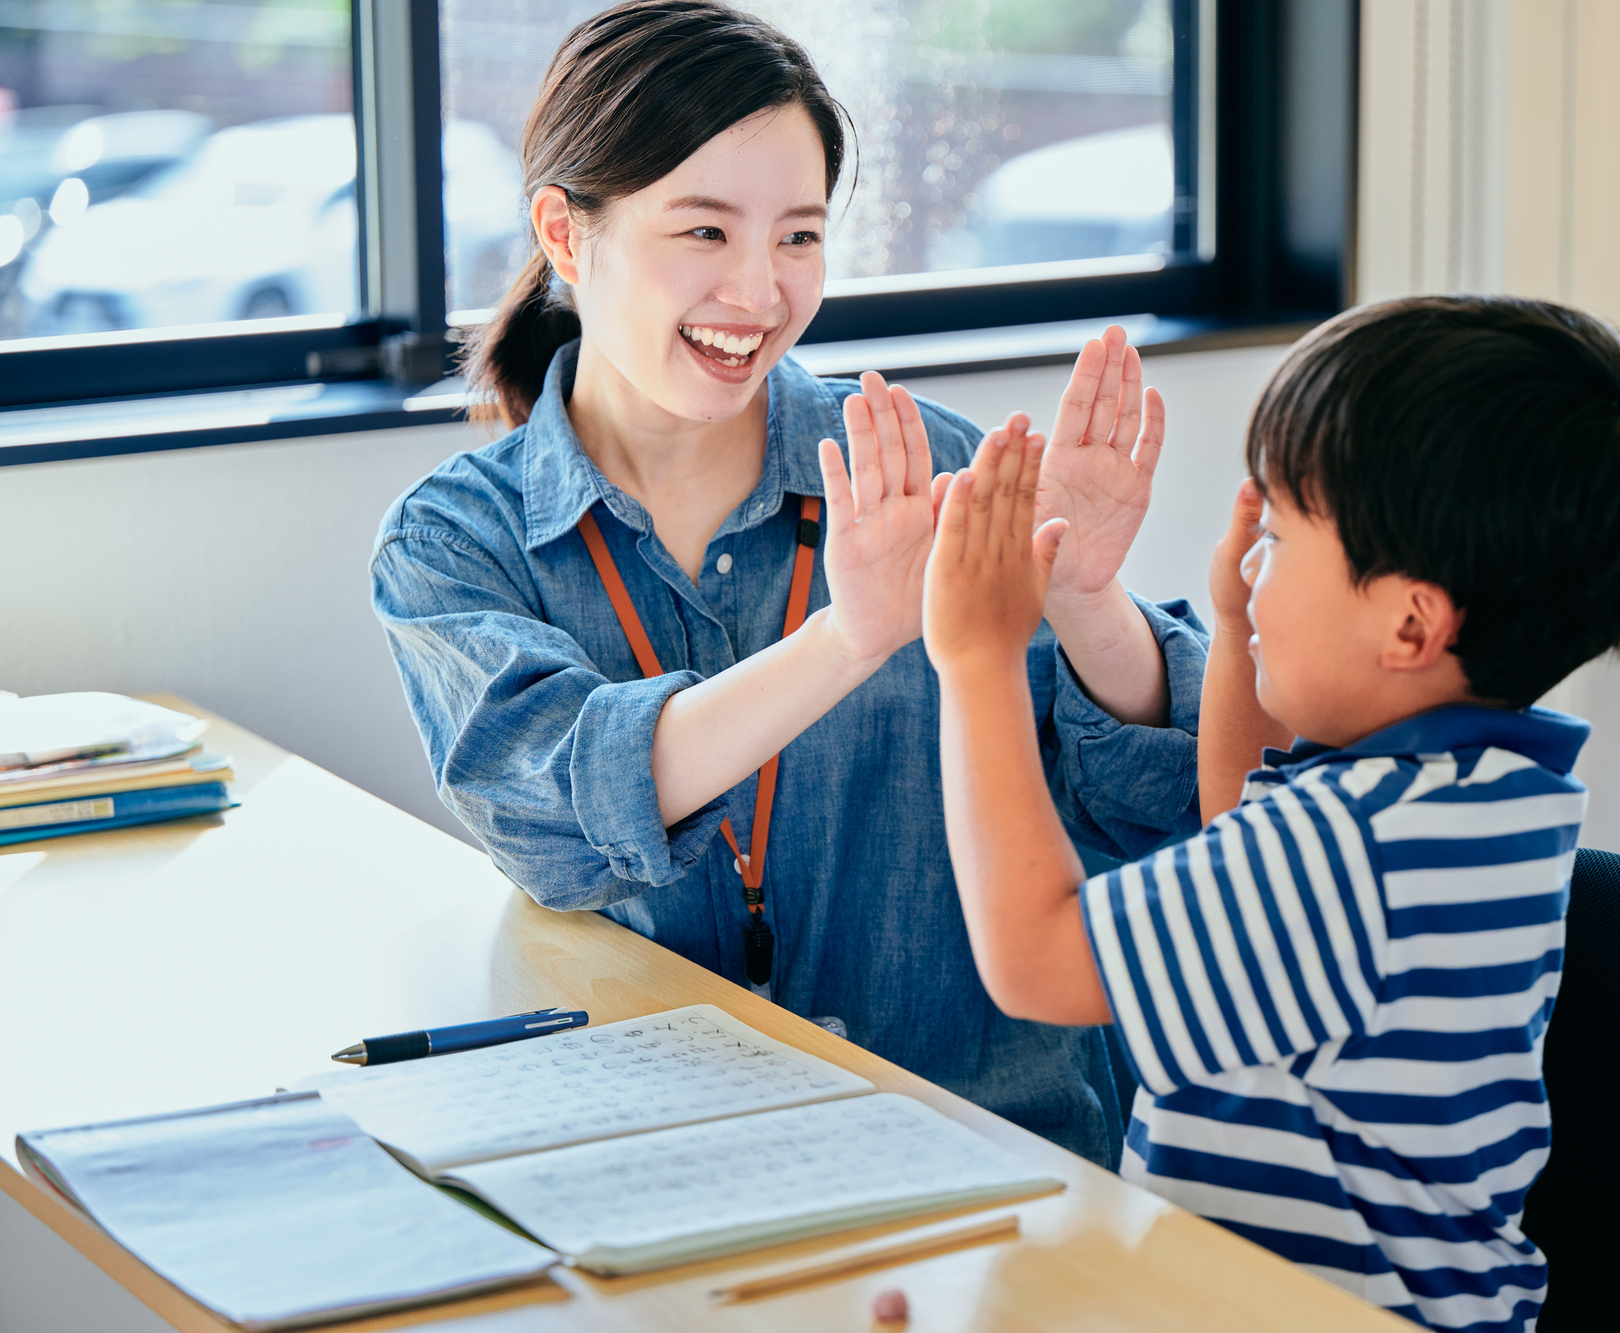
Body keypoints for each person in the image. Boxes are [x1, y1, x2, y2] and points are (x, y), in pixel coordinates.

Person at [369, 0, 1208, 1169]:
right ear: (565, 233)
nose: (758, 294)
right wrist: (846, 637)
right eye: (704, 234)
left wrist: (1084, 599)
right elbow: (553, 822)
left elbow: (1171, 804)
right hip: (664, 1160)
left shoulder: (938, 473)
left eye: (799, 238)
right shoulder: (456, 539)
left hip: (994, 1157)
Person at [919, 295, 1620, 1330]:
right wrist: (1244, 626)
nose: (1250, 560)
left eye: (1281, 539)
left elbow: (1034, 958)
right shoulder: (1474, 794)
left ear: (1410, 622)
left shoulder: (1352, 844)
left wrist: (974, 660)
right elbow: (1242, 825)